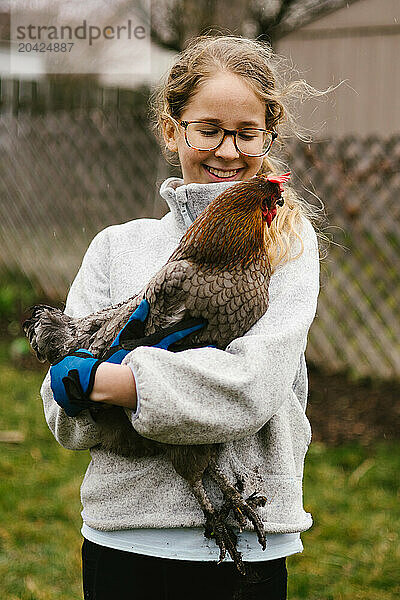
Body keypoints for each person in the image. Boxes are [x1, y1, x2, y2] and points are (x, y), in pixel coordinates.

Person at [40, 35, 321, 600]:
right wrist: (76, 391)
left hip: (246, 539)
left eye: (246, 133)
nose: (228, 149)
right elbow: (63, 414)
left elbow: (251, 388)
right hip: (122, 538)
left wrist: (124, 383)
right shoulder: (116, 248)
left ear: (269, 136)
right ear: (173, 130)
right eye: (209, 129)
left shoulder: (284, 243)